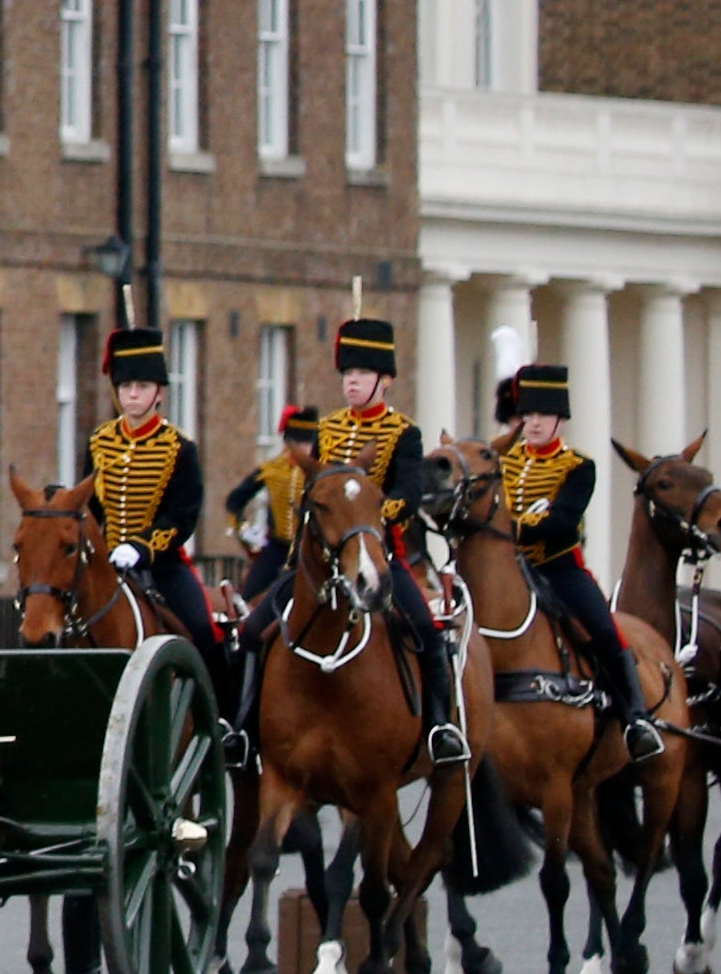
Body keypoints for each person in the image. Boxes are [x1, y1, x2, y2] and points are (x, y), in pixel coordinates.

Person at [274, 321, 463, 768]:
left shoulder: (404, 433)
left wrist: (368, 520)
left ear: (386, 380)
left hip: (380, 556)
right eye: (347, 374)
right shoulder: (329, 429)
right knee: (254, 632)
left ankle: (439, 729)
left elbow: (408, 493)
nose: (352, 382)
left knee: (428, 637)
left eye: (361, 373)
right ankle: (242, 727)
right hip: (323, 561)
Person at [482, 363, 664, 765]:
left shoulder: (578, 467)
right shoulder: (502, 463)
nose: (533, 423)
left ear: (560, 419)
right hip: (509, 572)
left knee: (602, 627)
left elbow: (561, 524)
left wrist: (511, 524)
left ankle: (636, 717)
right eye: (528, 415)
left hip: (558, 569)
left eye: (543, 415)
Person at [83, 319, 243, 737]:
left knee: (205, 631)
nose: (131, 395)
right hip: (106, 563)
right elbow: (90, 505)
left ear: (160, 392)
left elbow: (183, 515)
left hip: (162, 565)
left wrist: (142, 548)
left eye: (140, 386)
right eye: (124, 387)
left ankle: (223, 724)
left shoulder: (178, 448)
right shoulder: (100, 441)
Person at [226, 403, 318, 603]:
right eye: (298, 443)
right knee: (245, 599)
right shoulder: (272, 468)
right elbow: (235, 501)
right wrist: (246, 532)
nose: (304, 449)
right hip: (277, 549)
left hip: (310, 549)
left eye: (307, 444)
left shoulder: (320, 471)